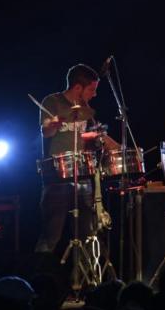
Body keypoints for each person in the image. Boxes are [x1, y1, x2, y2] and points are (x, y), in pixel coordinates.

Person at [36, 63, 120, 255]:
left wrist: (112, 145)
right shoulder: (52, 101)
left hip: (82, 177)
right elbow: (46, 131)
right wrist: (54, 123)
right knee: (51, 236)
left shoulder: (87, 110)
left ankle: (86, 281)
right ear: (77, 88)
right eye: (92, 89)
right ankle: (40, 277)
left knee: (88, 235)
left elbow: (91, 135)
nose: (94, 94)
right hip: (56, 177)